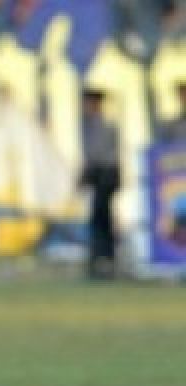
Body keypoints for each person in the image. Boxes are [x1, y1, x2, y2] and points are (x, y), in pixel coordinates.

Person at [80, 88, 121, 281]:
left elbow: (101, 156)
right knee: (98, 220)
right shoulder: (87, 125)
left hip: (105, 176)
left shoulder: (105, 125)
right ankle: (99, 258)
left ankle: (105, 259)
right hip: (97, 177)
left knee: (102, 220)